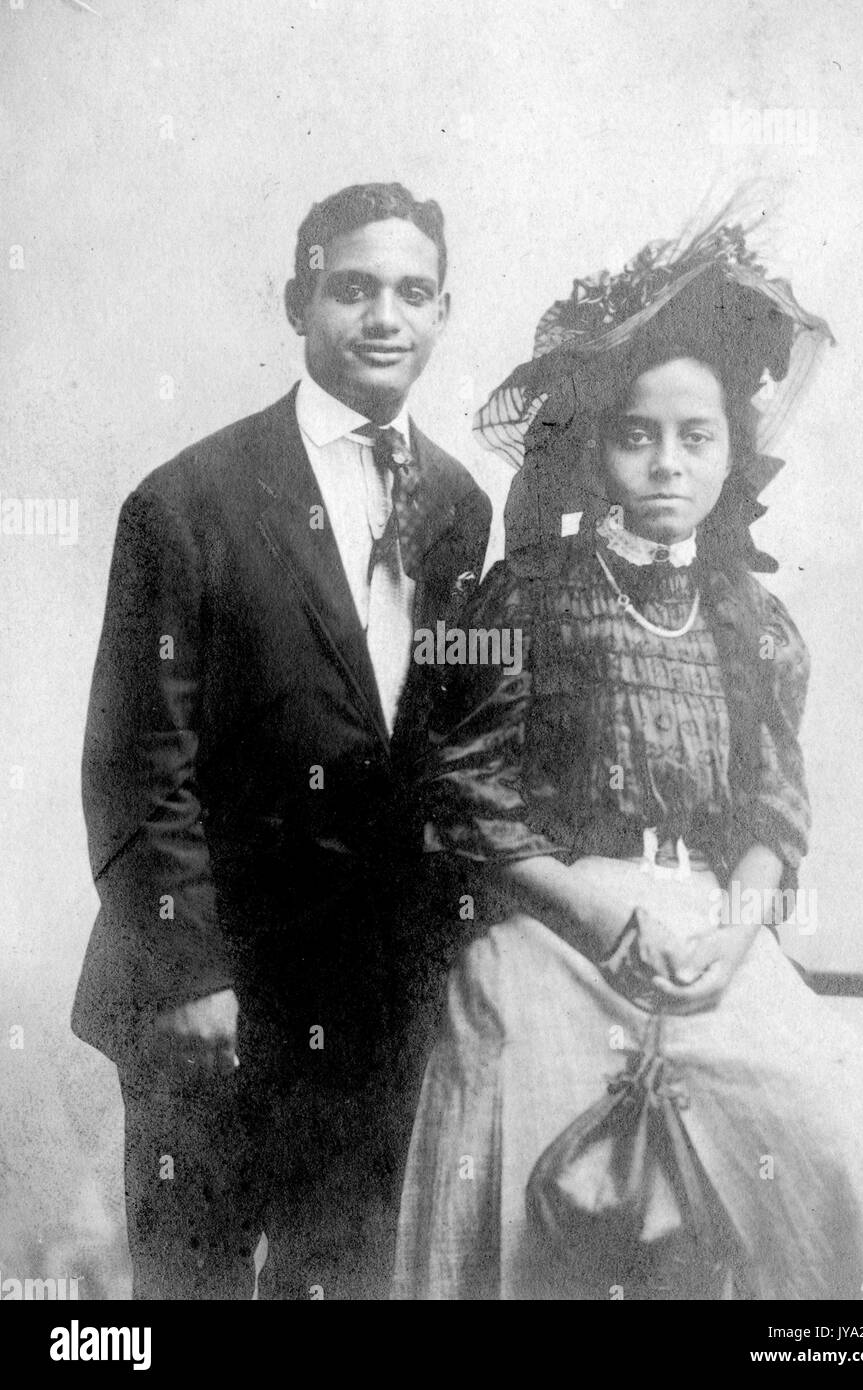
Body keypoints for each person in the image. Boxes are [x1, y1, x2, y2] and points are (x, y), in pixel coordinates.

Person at [393, 208, 863, 1299]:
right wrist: (598, 916)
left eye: (696, 438)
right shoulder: (525, 596)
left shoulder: (751, 621)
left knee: (849, 1127)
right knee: (512, 1122)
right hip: (550, 921)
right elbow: (466, 802)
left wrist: (732, 942)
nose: (665, 465)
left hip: (707, 933)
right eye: (636, 434)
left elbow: (772, 823)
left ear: (733, 453)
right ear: (594, 445)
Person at [71, 182, 492, 1300]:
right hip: (212, 990)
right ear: (298, 300)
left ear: (445, 311)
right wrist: (191, 971)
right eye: (352, 288)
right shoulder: (188, 500)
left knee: (346, 1278)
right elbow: (135, 765)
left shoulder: (459, 505)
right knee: (193, 1284)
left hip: (369, 999)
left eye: (411, 292)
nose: (382, 317)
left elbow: (439, 746)